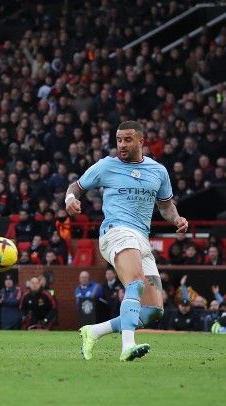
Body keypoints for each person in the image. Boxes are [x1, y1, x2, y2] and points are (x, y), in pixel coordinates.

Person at [74, 121, 188, 361]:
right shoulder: (106, 166)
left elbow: (166, 207)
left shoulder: (158, 171)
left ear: (141, 142)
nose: (122, 145)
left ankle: (93, 331)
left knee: (152, 312)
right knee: (135, 283)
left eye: (127, 140)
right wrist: (69, 200)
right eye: (119, 140)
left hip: (141, 239)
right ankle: (127, 346)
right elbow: (77, 186)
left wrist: (177, 219)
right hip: (116, 232)